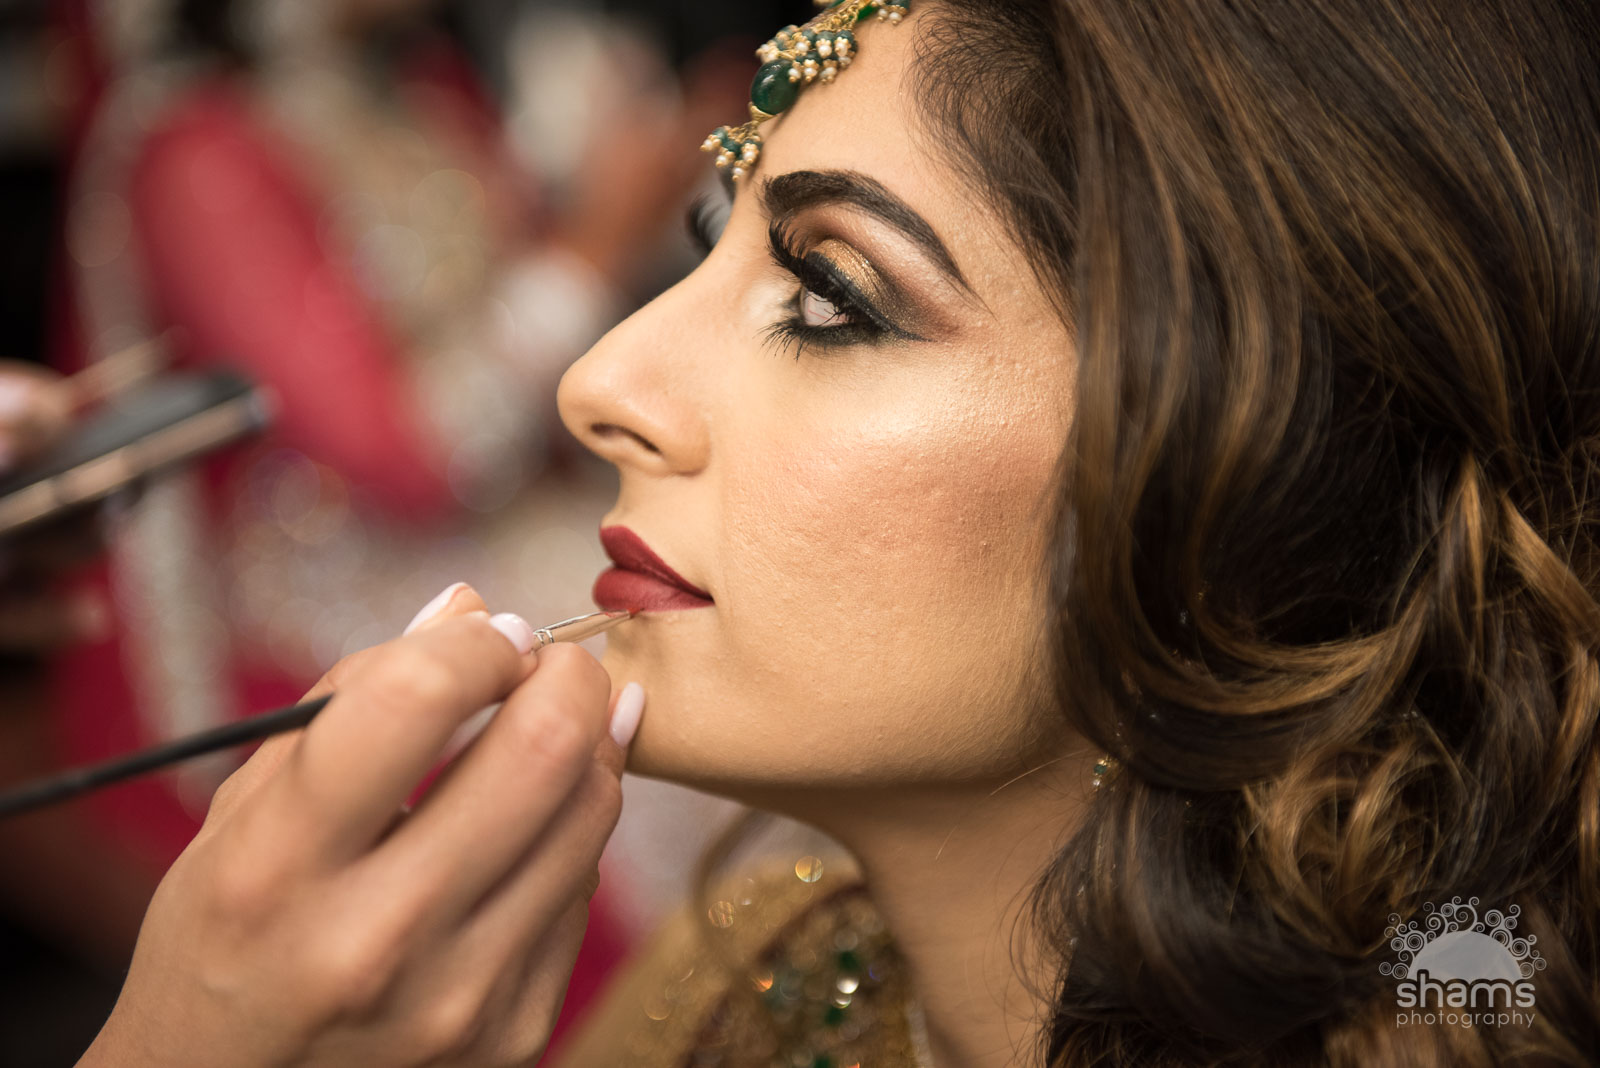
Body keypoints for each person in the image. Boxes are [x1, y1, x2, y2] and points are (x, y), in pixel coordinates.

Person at [75, 0, 1600, 1064]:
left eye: (828, 301)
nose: (600, 384)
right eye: (704, 242)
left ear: (1251, 467)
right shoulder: (745, 975)